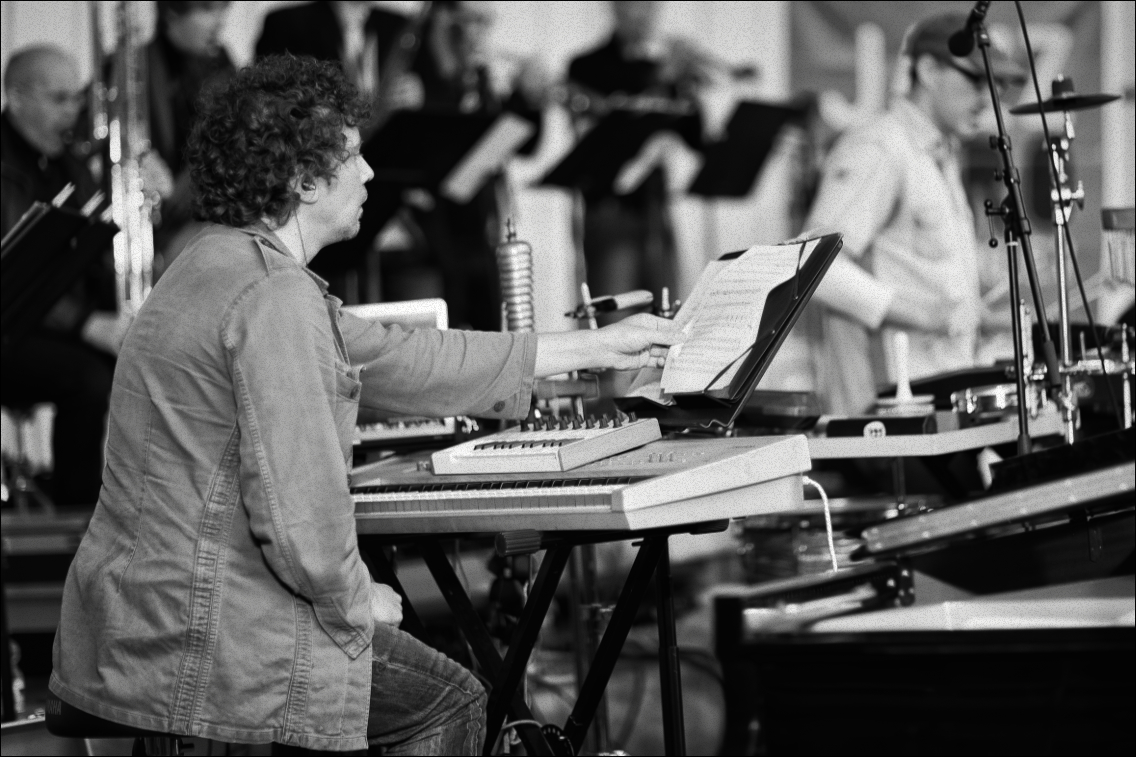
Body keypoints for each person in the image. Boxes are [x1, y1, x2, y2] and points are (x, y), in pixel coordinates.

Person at [49, 55, 681, 753]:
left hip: (136, 621)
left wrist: (591, 348)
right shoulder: (272, 296)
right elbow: (296, 511)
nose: (371, 173)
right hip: (206, 630)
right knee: (453, 700)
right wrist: (357, 599)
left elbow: (398, 355)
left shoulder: (213, 263)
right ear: (304, 180)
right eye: (352, 156)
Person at [762, 13, 1025, 415]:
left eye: (996, 85)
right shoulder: (880, 147)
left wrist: (976, 313)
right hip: (893, 406)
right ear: (929, 69)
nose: (988, 98)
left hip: (940, 388)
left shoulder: (940, 154)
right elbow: (812, 265)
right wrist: (926, 313)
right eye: (976, 81)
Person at [0, 46, 128, 506]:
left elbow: (94, 244)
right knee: (87, 379)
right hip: (12, 330)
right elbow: (14, 277)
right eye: (59, 99)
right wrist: (88, 324)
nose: (73, 111)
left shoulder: (63, 160)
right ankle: (80, 520)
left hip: (44, 323)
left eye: (76, 97)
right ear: (16, 98)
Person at [398, 0, 546, 330]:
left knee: (489, 318)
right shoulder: (421, 69)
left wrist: (528, 100)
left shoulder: (479, 75)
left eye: (484, 22)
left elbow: (523, 145)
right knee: (451, 318)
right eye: (472, 21)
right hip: (435, 222)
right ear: (445, 19)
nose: (481, 32)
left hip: (479, 219)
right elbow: (439, 131)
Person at [256, 0, 413, 303]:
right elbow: (274, 112)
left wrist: (417, 95)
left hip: (390, 196)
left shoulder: (398, 26)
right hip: (316, 192)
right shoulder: (288, 23)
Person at [567, 0, 705, 305]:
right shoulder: (587, 65)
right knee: (615, 319)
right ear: (615, 8)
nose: (644, 15)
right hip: (610, 211)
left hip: (656, 208)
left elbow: (695, 137)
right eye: (635, 5)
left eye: (650, 6)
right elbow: (618, 125)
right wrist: (665, 79)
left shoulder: (660, 67)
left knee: (667, 317)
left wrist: (687, 86)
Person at [135, 0, 235, 268]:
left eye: (222, 10)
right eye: (206, 10)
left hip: (208, 217)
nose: (219, 21)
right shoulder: (131, 68)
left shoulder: (223, 65)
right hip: (153, 229)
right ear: (171, 13)